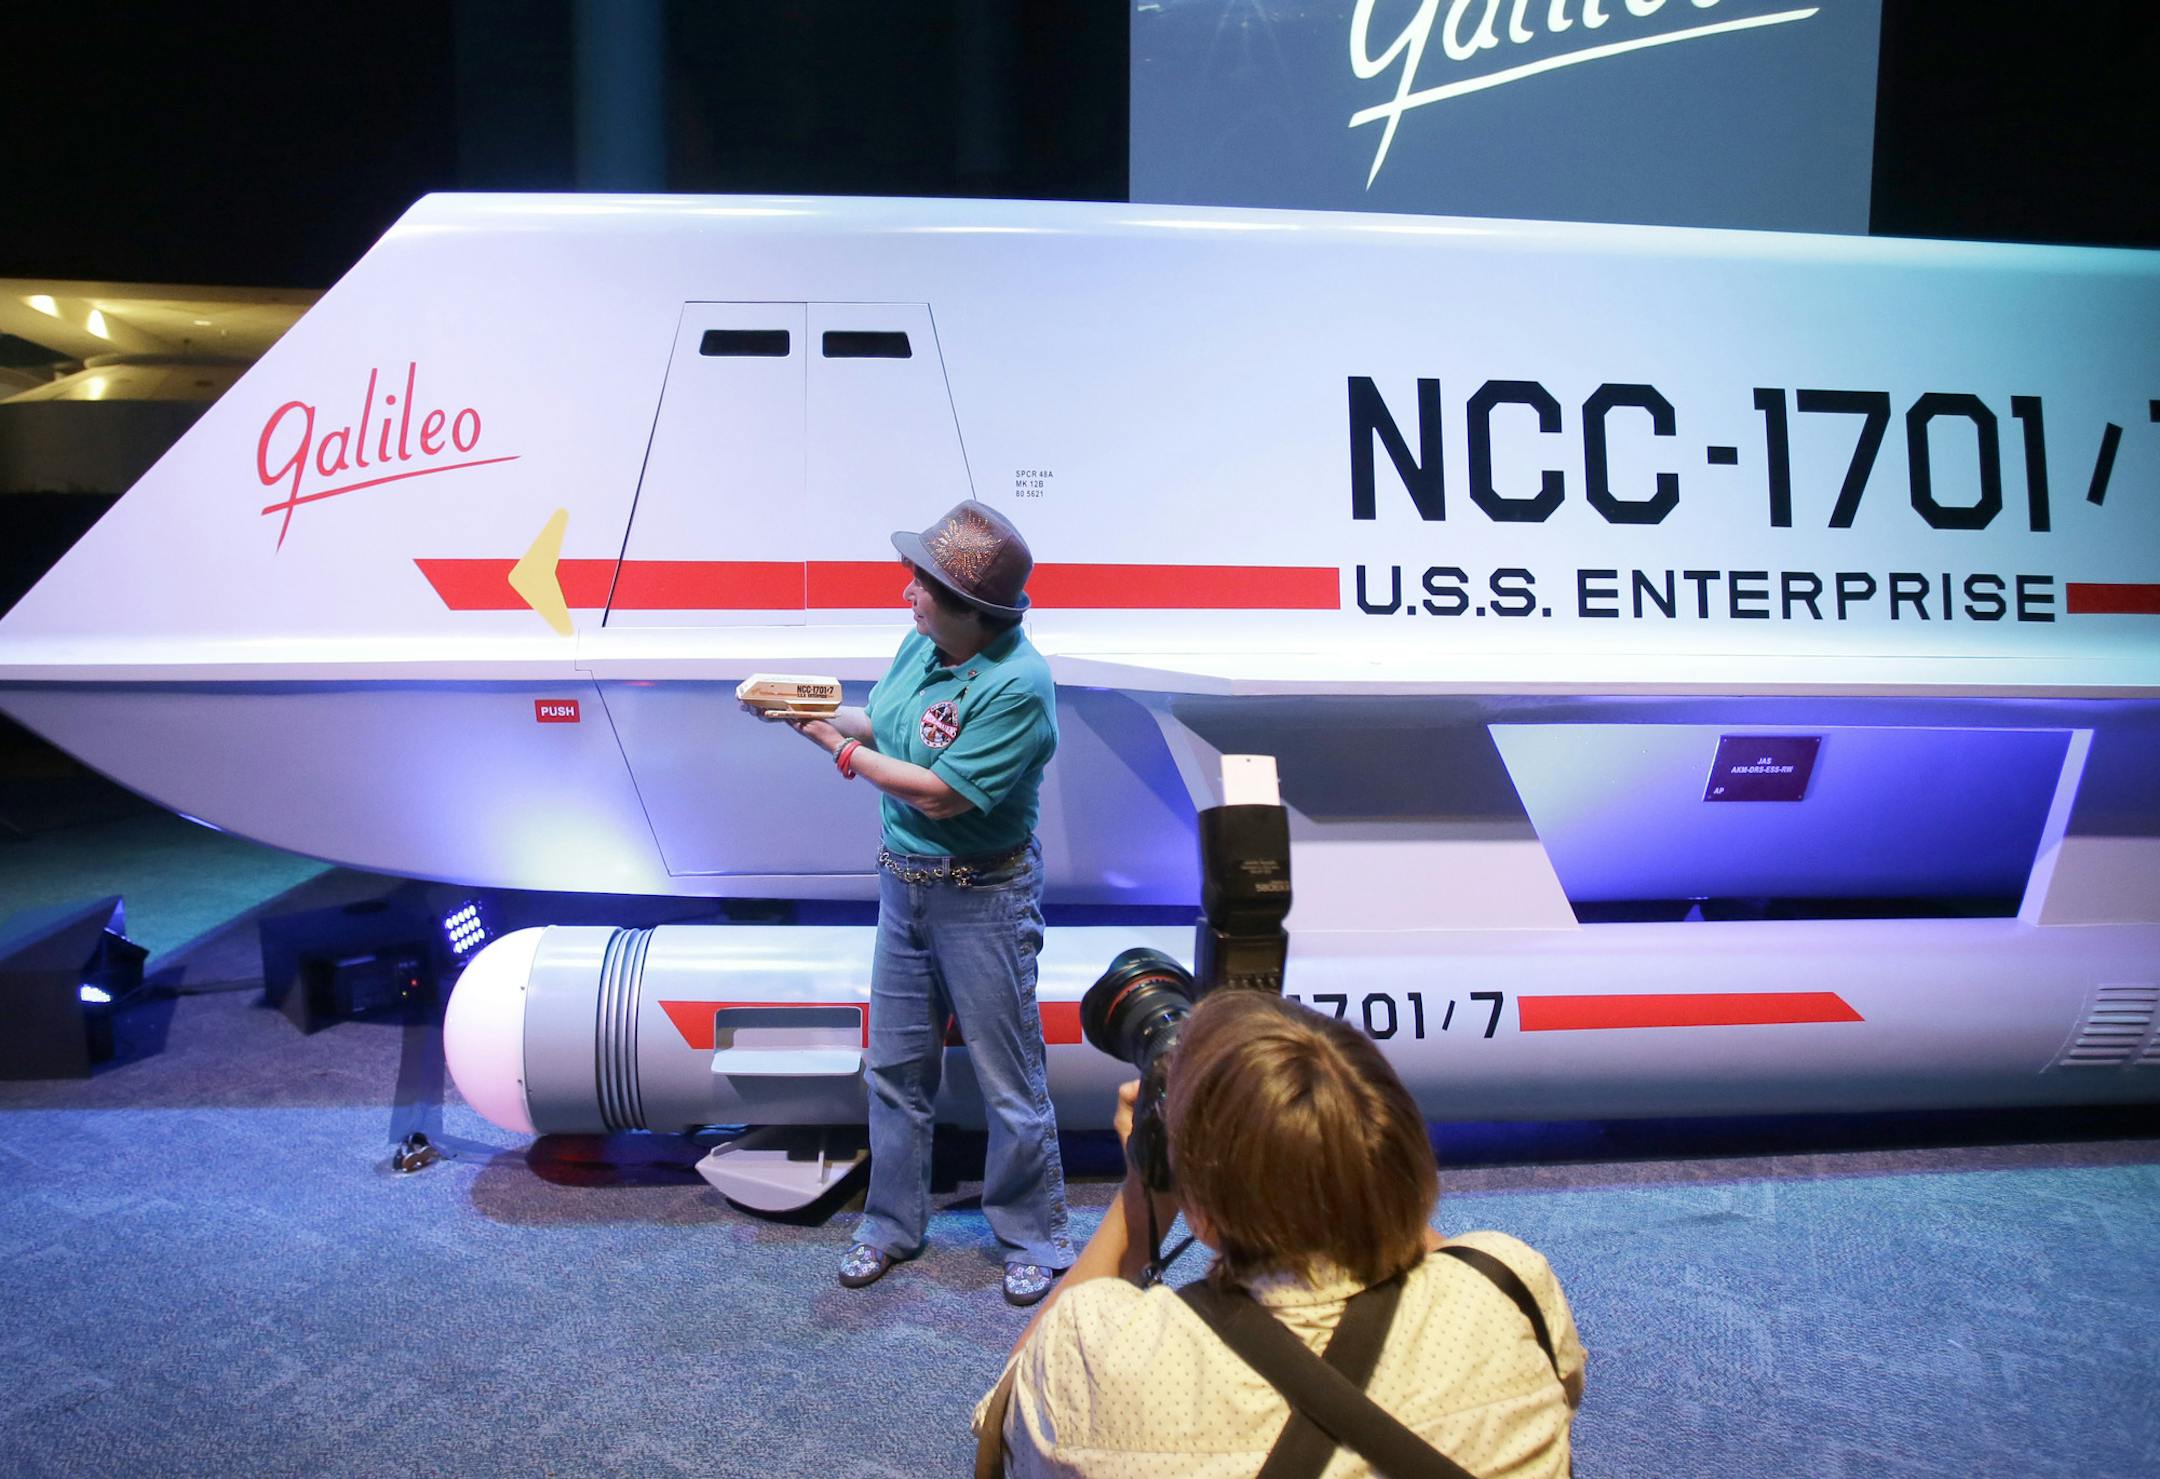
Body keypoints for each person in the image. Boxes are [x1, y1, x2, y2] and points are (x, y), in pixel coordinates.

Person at [976, 990, 1586, 1477]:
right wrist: (1344, 1150)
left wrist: (1143, 1182)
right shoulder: (1507, 1284)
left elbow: (1002, 1430)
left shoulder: (1094, 1351)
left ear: (1205, 1212)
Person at [746, 498, 1073, 1306]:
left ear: (972, 610)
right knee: (893, 1068)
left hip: (983, 900)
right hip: (905, 889)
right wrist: (814, 715)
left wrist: (839, 748)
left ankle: (1032, 1235)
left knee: (1010, 1080)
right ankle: (890, 1224)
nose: (908, 596)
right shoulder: (923, 643)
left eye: (921, 585)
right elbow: (889, 730)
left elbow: (936, 793)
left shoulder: (1018, 686)